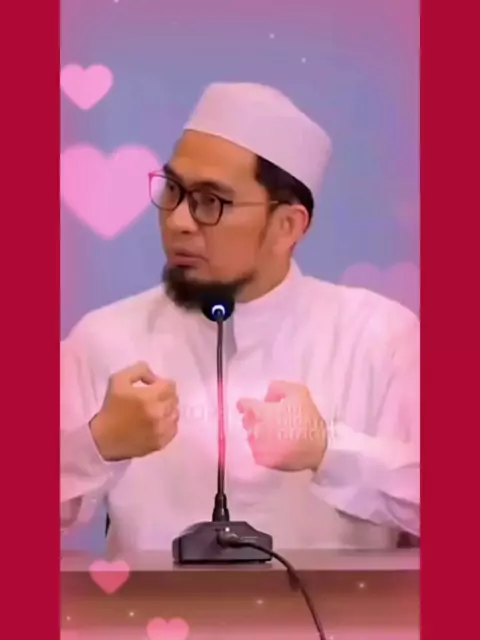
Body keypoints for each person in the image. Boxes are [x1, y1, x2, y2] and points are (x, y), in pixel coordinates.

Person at [61, 82, 419, 554]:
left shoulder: (379, 336)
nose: (178, 221)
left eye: (211, 201)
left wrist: (327, 449)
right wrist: (97, 444)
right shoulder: (106, 338)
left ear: (286, 226)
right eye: (173, 190)